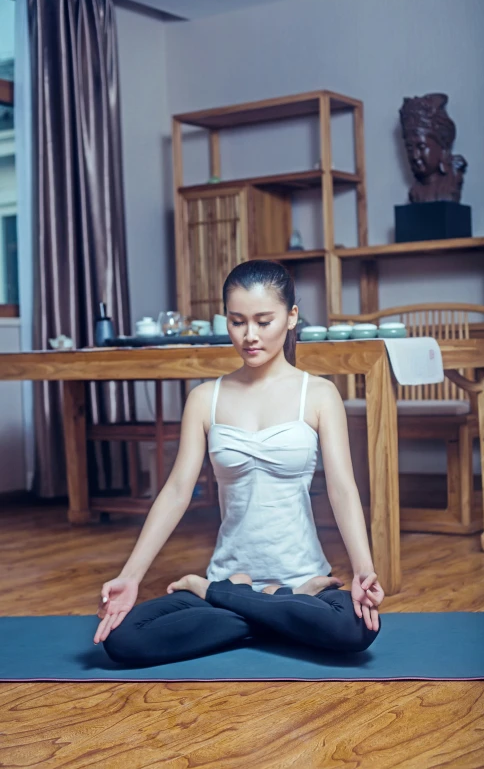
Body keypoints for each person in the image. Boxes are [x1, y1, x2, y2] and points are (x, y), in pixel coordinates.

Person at [94, 260, 384, 666]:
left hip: (304, 578)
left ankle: (228, 597)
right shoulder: (204, 399)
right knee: (123, 639)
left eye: (264, 321)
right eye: (237, 322)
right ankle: (275, 607)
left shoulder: (318, 395)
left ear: (291, 318)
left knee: (355, 629)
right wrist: (131, 576)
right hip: (238, 577)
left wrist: (363, 571)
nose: (250, 336)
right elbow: (176, 492)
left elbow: (342, 489)